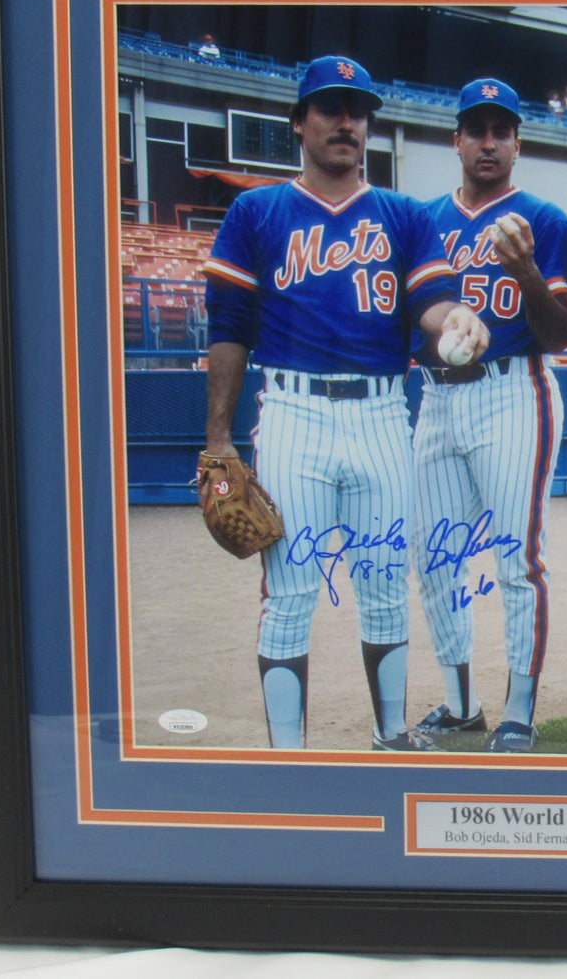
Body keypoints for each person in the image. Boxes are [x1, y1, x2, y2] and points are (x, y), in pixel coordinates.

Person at [201, 54, 489, 752]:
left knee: (387, 581)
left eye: (357, 110)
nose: (345, 121)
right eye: (329, 107)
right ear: (298, 122)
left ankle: (391, 733)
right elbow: (229, 329)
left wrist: (458, 321)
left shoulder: (402, 215)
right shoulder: (256, 210)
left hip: (384, 414)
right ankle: (288, 755)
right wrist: (217, 437)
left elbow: (432, 301)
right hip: (295, 413)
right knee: (290, 594)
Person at [410, 78, 567, 754]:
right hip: (439, 395)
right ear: (455, 140)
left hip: (514, 390)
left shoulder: (543, 216)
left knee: (516, 557)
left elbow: (560, 330)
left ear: (516, 142)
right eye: (475, 129)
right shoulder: (423, 220)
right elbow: (408, 322)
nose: (487, 141)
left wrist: (529, 271)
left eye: (499, 130)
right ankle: (460, 704)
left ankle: (519, 710)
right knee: (433, 556)